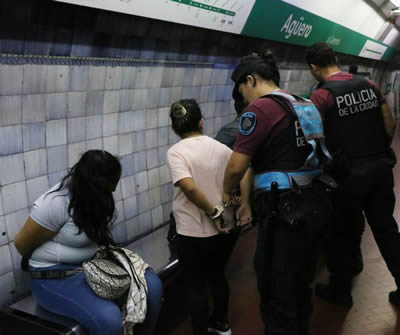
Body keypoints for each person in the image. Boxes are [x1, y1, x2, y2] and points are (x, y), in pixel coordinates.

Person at [222, 51, 334, 335]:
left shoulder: (259, 110)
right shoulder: (304, 103)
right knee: (300, 281)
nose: (244, 98)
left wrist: (226, 193)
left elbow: (237, 167)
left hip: (284, 212)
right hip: (315, 203)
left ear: (250, 80)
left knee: (275, 286)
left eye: (242, 90)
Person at [14, 150, 163, 335]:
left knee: (152, 287)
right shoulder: (55, 202)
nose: (114, 191)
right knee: (108, 319)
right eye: (111, 186)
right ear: (96, 185)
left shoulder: (96, 198)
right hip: (52, 276)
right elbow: (21, 245)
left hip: (91, 265)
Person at [306, 42, 400, 307]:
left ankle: (341, 290)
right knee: (386, 229)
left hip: (348, 177)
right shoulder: (370, 86)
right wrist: (378, 152)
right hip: (380, 170)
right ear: (335, 58)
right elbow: (389, 122)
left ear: (314, 68)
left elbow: (313, 139)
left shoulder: (321, 97)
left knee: (344, 233)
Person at [167, 99, 252, 335]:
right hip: (223, 230)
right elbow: (244, 171)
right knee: (217, 277)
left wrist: (211, 211)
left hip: (191, 232)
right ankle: (221, 323)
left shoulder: (176, 152)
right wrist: (245, 203)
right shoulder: (221, 148)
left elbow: (190, 188)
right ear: (202, 122)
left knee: (195, 286)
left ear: (174, 128)